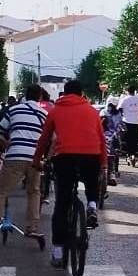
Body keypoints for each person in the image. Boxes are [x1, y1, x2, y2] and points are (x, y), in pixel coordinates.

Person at [32, 79, 108, 264]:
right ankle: (91, 206)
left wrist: (37, 160)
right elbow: (102, 140)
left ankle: (58, 253)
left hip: (64, 157)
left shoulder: (56, 110)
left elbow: (44, 138)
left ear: (64, 93)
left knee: (62, 204)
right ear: (82, 93)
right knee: (91, 182)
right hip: (91, 155)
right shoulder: (92, 111)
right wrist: (104, 164)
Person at [0, 83, 47, 244]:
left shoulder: (14, 110)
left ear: (26, 95)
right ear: (40, 97)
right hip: (34, 158)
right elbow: (50, 138)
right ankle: (32, 228)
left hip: (14, 156)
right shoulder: (44, 114)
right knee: (34, 192)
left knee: (1, 192)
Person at [118, 87, 138, 164]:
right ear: (134, 91)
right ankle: (133, 154)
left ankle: (128, 155)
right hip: (136, 122)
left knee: (127, 140)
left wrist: (124, 114)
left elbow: (119, 109)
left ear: (127, 91)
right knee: (134, 140)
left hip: (126, 122)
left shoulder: (124, 99)